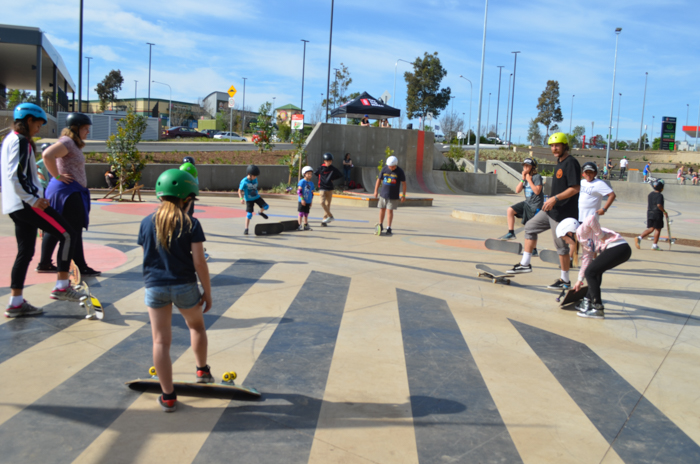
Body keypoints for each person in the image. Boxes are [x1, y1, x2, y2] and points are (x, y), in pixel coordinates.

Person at [138, 169, 212, 412]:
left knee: (161, 341)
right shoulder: (191, 223)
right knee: (197, 327)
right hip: (184, 286)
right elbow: (199, 262)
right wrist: (207, 292)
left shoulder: (145, 222)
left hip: (155, 286)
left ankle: (168, 396)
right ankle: (202, 370)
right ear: (186, 198)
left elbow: (147, 257)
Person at [1, 103, 82, 317]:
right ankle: (62, 286)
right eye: (38, 124)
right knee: (67, 235)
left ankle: (15, 302)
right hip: (27, 204)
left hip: (15, 205)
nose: (39, 128)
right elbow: (15, 175)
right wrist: (34, 199)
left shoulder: (8, 140)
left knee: (25, 252)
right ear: (28, 120)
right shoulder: (20, 141)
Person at [507, 132, 581, 290]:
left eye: (557, 145)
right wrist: (551, 199)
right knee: (530, 227)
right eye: (552, 146)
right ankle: (525, 263)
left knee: (561, 247)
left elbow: (575, 188)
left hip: (563, 214)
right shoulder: (559, 162)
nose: (554, 148)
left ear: (564, 146)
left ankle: (565, 281)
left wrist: (555, 198)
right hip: (550, 210)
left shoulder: (571, 163)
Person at [39, 112, 101, 276]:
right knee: (74, 230)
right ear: (76, 128)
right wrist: (57, 175)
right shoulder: (67, 141)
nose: (88, 132)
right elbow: (47, 154)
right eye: (86, 128)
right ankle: (80, 266)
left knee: (57, 228)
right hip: (68, 193)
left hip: (68, 191)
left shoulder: (71, 143)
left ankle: (44, 263)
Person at [556, 216, 632, 319]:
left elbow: (591, 218)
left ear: (569, 233)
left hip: (618, 247)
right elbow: (586, 260)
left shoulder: (581, 232)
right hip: (622, 250)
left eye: (564, 239)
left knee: (590, 272)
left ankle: (597, 308)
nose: (566, 242)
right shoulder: (584, 243)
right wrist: (579, 280)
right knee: (595, 271)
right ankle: (589, 300)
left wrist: (601, 235)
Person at [503, 158, 543, 241]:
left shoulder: (537, 177)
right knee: (510, 210)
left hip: (535, 206)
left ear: (533, 167)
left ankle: (534, 248)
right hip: (527, 203)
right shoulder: (525, 178)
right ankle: (511, 232)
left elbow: (537, 191)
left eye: (527, 166)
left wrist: (529, 180)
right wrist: (523, 179)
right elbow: (517, 190)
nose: (525, 167)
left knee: (530, 228)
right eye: (524, 166)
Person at [373, 155, 406, 235]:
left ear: (395, 165)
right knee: (382, 209)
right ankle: (380, 224)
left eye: (392, 167)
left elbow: (404, 184)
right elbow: (379, 180)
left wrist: (403, 195)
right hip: (383, 194)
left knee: (389, 211)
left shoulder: (400, 171)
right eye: (389, 166)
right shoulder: (384, 169)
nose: (390, 168)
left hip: (393, 196)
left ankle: (389, 227)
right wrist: (375, 190)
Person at [636, 179, 668, 251]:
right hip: (657, 214)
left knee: (651, 228)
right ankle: (654, 245)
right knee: (658, 229)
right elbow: (659, 205)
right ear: (661, 187)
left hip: (650, 212)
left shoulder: (650, 194)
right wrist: (664, 211)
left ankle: (639, 237)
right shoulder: (660, 195)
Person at [239, 164, 269, 235]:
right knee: (249, 214)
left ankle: (260, 212)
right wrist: (241, 198)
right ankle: (246, 229)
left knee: (266, 206)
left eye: (256, 176)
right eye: (254, 176)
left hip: (256, 197)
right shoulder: (244, 181)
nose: (255, 177)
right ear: (249, 174)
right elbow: (239, 190)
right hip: (249, 199)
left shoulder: (255, 179)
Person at [314, 153, 343, 226]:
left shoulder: (333, 169)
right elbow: (316, 173)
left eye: (330, 161)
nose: (329, 162)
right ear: (324, 161)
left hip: (330, 188)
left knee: (328, 204)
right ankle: (330, 216)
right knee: (322, 202)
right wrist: (321, 179)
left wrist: (332, 178)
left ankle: (324, 220)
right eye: (327, 161)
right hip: (322, 188)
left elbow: (340, 175)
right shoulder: (320, 168)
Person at [297, 166, 315, 231]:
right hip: (302, 201)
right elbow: (299, 191)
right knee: (301, 213)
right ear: (304, 174)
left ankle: (305, 224)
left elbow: (312, 193)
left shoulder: (312, 184)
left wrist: (311, 202)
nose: (310, 175)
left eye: (311, 174)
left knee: (306, 213)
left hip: (308, 201)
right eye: (308, 173)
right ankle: (299, 225)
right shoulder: (302, 182)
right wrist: (302, 199)